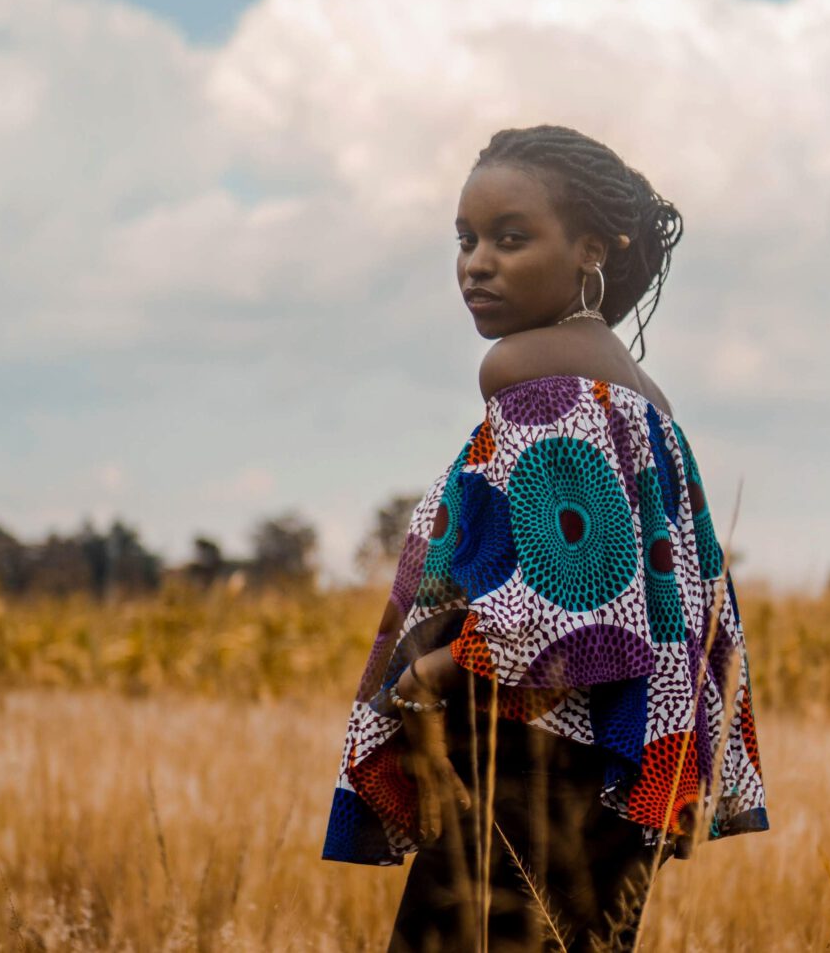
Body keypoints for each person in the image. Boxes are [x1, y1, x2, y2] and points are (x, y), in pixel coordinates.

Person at [323, 125, 769, 952]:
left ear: (589, 251)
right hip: (611, 765)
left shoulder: (530, 374)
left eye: (511, 237)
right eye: (466, 239)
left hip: (529, 759)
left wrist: (428, 672)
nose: (476, 262)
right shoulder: (642, 396)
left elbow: (574, 598)